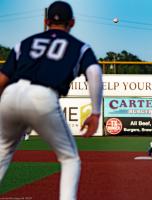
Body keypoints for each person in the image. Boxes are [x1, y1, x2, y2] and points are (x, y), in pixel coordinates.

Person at [0, 1, 103, 200]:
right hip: (43, 96)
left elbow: (3, 79)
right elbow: (94, 71)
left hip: (11, 94)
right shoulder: (80, 47)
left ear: (46, 21)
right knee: (70, 159)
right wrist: (96, 112)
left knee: (3, 150)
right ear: (72, 22)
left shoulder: (24, 42)